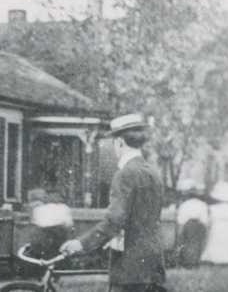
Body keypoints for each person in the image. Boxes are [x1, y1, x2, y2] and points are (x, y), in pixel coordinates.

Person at [60, 114, 165, 292]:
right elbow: (141, 217)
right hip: (153, 262)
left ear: (120, 142)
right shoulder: (153, 173)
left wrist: (81, 243)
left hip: (129, 268)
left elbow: (115, 219)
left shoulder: (124, 174)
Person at [201, 181, 228, 265]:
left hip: (218, 227)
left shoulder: (213, 208)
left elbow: (210, 220)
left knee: (217, 242)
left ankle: (217, 258)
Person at [174, 178, 209, 268]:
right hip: (199, 224)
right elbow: (205, 220)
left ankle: (188, 262)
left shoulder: (184, 205)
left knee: (188, 244)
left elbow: (181, 221)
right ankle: (195, 261)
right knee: (197, 244)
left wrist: (180, 232)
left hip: (188, 225)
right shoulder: (202, 204)